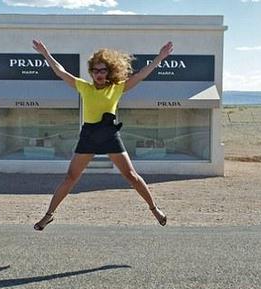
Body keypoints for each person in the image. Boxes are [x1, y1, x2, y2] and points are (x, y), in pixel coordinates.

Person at [32, 39, 173, 231]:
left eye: (103, 70)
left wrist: (160, 57)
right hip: (88, 136)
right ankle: (48, 216)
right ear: (91, 72)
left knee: (131, 176)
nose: (99, 74)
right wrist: (45, 53)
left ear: (109, 72)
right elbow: (60, 72)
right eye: (96, 71)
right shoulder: (84, 87)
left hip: (109, 135)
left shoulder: (117, 88)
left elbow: (140, 75)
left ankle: (154, 209)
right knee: (71, 177)